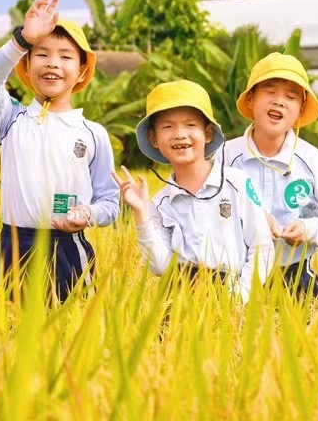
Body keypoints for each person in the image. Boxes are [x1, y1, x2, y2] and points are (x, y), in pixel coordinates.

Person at [0, 0, 118, 303]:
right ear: (26, 64)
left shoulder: (92, 133)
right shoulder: (10, 118)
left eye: (66, 57)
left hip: (68, 246)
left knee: (71, 336)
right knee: (3, 336)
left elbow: (111, 202)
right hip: (13, 244)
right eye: (42, 54)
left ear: (82, 70)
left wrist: (88, 213)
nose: (53, 64)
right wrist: (23, 39)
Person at [116, 80, 274, 302]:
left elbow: (262, 248)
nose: (180, 134)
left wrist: (238, 297)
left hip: (234, 290)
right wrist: (142, 214)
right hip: (180, 296)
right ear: (153, 139)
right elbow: (161, 267)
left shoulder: (236, 183)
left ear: (207, 133)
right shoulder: (160, 203)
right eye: (168, 127)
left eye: (190, 125)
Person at [221, 52, 318, 301]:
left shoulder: (310, 159)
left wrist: (308, 228)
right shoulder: (225, 156)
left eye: (290, 97)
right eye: (270, 92)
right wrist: (254, 219)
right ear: (251, 99)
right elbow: (202, 208)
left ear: (300, 110)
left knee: (302, 337)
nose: (279, 101)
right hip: (236, 270)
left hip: (294, 274)